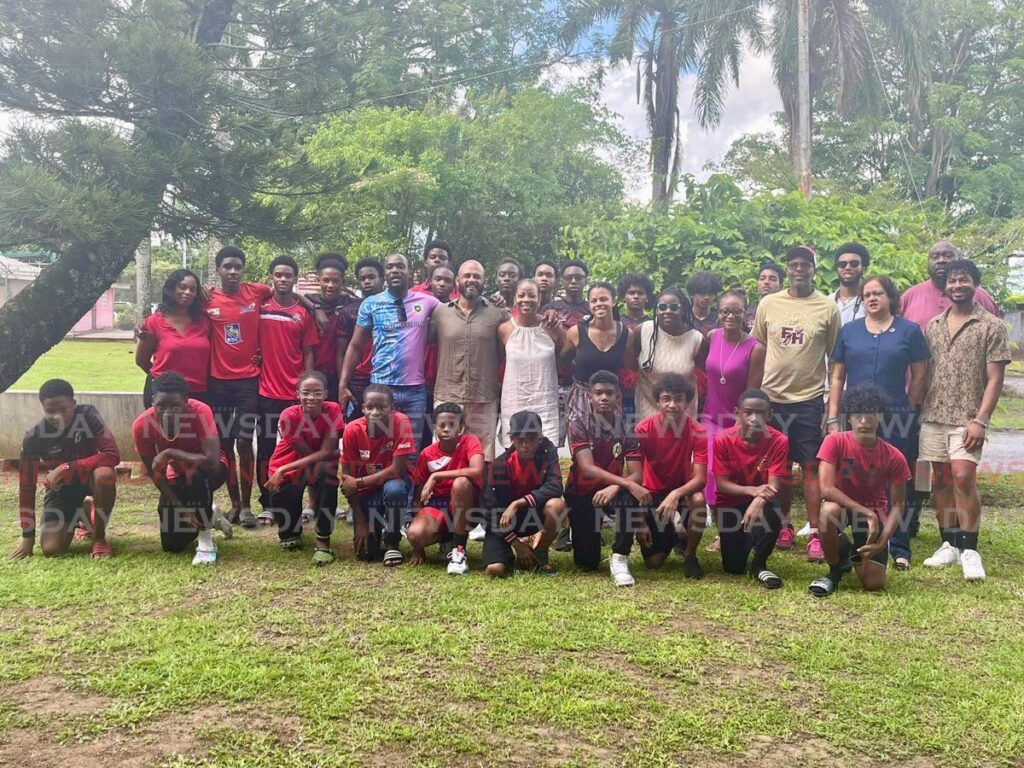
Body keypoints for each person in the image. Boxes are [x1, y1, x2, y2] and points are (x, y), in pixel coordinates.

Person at [827, 275, 929, 569]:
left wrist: (909, 408)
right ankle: (851, 537)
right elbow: (837, 376)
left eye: (879, 293)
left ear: (890, 297)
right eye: (867, 294)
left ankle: (899, 546)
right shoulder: (850, 331)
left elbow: (920, 374)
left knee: (896, 481)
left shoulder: (909, 331)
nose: (872, 299)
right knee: (852, 477)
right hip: (855, 416)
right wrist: (834, 416)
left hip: (896, 414)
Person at [919, 259, 1010, 581]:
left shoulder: (991, 325)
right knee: (939, 481)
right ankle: (949, 544)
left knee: (963, 478)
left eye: (964, 280)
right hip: (932, 415)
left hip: (968, 417)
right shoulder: (933, 325)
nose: (957, 285)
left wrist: (981, 420)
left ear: (975, 284)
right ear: (944, 287)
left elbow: (996, 379)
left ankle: (970, 549)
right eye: (952, 281)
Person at [752, 246, 841, 562]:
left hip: (809, 399)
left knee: (811, 467)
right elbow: (759, 348)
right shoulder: (769, 303)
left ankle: (815, 532)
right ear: (787, 269)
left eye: (805, 264)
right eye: (794, 264)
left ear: (814, 270)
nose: (799, 269)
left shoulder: (827, 308)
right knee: (780, 468)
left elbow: (835, 358)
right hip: (773, 400)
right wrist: (755, 398)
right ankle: (785, 526)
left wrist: (830, 405)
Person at [808, 386, 912, 597]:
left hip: (874, 515)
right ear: (849, 418)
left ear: (880, 417)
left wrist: (883, 541)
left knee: (872, 584)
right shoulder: (834, 441)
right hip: (844, 508)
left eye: (870, 415)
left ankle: (852, 551)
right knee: (828, 511)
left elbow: (899, 504)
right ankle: (835, 569)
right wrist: (867, 512)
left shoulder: (894, 456)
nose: (863, 421)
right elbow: (826, 489)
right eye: (858, 415)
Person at [9, 379, 120, 560]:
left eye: (63, 409)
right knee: (52, 549)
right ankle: (84, 511)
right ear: (42, 409)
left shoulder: (89, 415)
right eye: (50, 411)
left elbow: (112, 455)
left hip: (90, 478)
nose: (57, 416)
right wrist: (27, 538)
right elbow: (26, 486)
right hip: (63, 488)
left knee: (105, 475)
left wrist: (67, 467)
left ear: (74, 404)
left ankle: (99, 538)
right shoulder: (34, 437)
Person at [339, 253, 440, 451]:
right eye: (390, 267)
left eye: (400, 266)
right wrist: (343, 384)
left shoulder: (427, 301)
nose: (395, 270)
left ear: (409, 271)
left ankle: (405, 483)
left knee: (411, 449)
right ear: (384, 273)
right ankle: (381, 483)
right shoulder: (371, 304)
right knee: (380, 447)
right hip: (381, 388)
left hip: (415, 391)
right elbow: (355, 346)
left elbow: (456, 312)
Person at [203, 246, 271, 529]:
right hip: (218, 384)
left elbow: (288, 294)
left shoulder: (257, 291)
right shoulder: (206, 299)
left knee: (245, 443)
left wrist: (310, 308)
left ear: (243, 270)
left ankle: (246, 506)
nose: (232, 271)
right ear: (218, 270)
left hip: (247, 382)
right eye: (227, 266)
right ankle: (232, 503)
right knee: (226, 443)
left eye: (237, 266)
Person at [132, 372, 229, 565]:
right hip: (176, 475)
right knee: (172, 545)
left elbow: (212, 463)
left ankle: (205, 541)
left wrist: (171, 453)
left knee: (196, 476)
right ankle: (213, 514)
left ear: (186, 401)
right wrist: (183, 510)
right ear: (152, 401)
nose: (168, 412)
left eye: (175, 406)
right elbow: (156, 475)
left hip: (210, 471)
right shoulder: (142, 425)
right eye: (161, 406)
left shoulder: (201, 411)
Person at [565, 371, 650, 587]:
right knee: (587, 563)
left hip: (612, 491)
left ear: (618, 397)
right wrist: (627, 482)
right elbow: (587, 469)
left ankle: (620, 558)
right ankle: (581, 531)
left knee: (628, 498)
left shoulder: (628, 427)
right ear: (589, 398)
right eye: (599, 393)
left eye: (609, 393)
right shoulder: (577, 424)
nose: (604, 397)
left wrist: (617, 486)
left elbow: (637, 474)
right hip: (582, 493)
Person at [255, 255, 319, 521]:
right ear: (271, 277)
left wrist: (305, 388)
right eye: (278, 275)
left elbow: (309, 353)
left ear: (295, 278)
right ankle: (268, 503)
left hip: (295, 398)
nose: (283, 279)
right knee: (267, 450)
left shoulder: (303, 312)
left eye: (288, 275)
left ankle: (310, 504)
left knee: (304, 449)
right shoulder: (259, 307)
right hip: (266, 393)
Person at [700, 290, 765, 552]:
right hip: (709, 417)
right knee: (711, 473)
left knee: (733, 476)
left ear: (745, 314)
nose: (730, 316)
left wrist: (742, 424)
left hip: (736, 420)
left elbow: (752, 392)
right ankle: (720, 531)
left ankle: (738, 528)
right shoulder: (712, 336)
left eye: (736, 311)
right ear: (718, 313)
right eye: (725, 311)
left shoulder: (755, 348)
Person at [430, 259, 509, 461]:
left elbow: (504, 352)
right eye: (467, 276)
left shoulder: (498, 313)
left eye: (476, 276)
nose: (471, 280)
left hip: (483, 395)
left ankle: (483, 492)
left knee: (484, 453)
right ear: (457, 280)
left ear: (484, 281)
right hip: (448, 394)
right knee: (444, 452)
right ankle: (443, 491)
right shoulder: (440, 313)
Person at [633, 373, 708, 578]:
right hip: (651, 494)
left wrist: (676, 494)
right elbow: (634, 479)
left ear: (687, 402)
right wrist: (639, 522)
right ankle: (677, 532)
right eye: (666, 399)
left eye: (678, 399)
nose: (672, 405)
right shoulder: (643, 429)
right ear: (657, 401)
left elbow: (701, 479)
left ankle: (690, 555)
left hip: (682, 493)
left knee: (699, 500)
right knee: (653, 563)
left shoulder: (698, 431)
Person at [712, 389, 789, 588]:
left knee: (773, 508)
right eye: (748, 412)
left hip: (762, 501)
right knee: (733, 567)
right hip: (730, 502)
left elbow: (774, 485)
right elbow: (722, 484)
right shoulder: (722, 439)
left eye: (761, 413)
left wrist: (758, 499)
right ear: (737, 413)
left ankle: (759, 563)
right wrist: (753, 491)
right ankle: (748, 537)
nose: (755, 418)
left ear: (769, 415)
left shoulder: (779, 440)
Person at [265, 371, 344, 564]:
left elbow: (325, 452)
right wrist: (283, 470)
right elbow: (308, 452)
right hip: (290, 459)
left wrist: (283, 470)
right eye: (306, 392)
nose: (311, 397)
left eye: (317, 393)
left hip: (312, 463)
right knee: (287, 492)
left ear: (326, 394)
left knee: (326, 473)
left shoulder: (333, 409)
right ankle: (291, 531)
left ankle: (323, 540)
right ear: (297, 394)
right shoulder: (288, 416)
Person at [480, 410, 564, 577]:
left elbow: (556, 486)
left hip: (534, 515)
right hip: (504, 522)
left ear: (540, 439)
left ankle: (539, 553)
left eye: (531, 439)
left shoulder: (548, 453)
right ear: (511, 439)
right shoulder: (499, 465)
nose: (526, 445)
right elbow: (489, 511)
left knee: (557, 505)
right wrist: (516, 543)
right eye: (520, 440)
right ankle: (514, 556)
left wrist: (519, 502)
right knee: (494, 570)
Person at [340, 384, 415, 566]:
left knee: (395, 488)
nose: (376, 412)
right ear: (363, 408)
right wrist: (361, 521)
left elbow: (397, 470)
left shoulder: (401, 422)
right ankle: (374, 527)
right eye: (370, 407)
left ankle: (392, 542)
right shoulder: (352, 429)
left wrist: (358, 482)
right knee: (366, 554)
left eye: (382, 407)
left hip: (392, 485)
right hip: (367, 493)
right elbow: (347, 482)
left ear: (392, 408)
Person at [406, 403, 485, 574]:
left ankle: (459, 550)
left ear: (461, 427)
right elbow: (419, 491)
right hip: (439, 504)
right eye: (442, 425)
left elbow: (477, 470)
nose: (446, 429)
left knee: (461, 483)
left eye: (452, 425)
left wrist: (436, 476)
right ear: (435, 427)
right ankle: (448, 537)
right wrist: (417, 547)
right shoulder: (427, 454)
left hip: (469, 504)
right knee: (414, 535)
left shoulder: (470, 441)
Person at [497, 279, 565, 449]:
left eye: (531, 296)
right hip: (514, 399)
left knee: (546, 451)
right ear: (515, 299)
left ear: (539, 299)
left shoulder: (553, 327)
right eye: (521, 295)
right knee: (515, 453)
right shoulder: (504, 329)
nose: (526, 299)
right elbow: (497, 359)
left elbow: (563, 357)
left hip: (545, 400)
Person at [560, 282, 635, 429]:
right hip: (581, 397)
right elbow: (562, 362)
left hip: (610, 397)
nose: (599, 304)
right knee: (580, 448)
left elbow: (630, 365)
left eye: (603, 299)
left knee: (610, 448)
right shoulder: (576, 332)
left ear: (613, 301)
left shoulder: (626, 334)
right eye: (594, 301)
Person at [136, 269, 211, 407]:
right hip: (164, 395)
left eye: (193, 289)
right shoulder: (153, 322)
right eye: (182, 287)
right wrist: (162, 379)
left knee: (198, 429)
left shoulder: (204, 320)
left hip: (198, 393)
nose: (188, 292)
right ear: (171, 289)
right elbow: (141, 360)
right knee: (161, 429)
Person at [635, 287, 706, 422]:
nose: (667, 311)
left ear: (683, 309)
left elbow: (702, 377)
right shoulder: (643, 331)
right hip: (647, 409)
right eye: (662, 307)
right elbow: (630, 368)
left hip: (681, 411)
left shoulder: (697, 339)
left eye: (674, 307)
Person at [900, 240, 1001, 329]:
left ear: (959, 259)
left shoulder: (981, 296)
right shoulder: (909, 297)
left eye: (948, 256)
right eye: (935, 257)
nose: (941, 260)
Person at [305, 252, 358, 402]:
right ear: (318, 280)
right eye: (326, 280)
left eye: (336, 281)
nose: (330, 285)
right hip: (313, 371)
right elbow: (293, 295)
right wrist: (315, 308)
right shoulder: (309, 301)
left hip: (340, 373)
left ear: (343, 281)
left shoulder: (350, 304)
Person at [340, 258, 385, 421]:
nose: (366, 281)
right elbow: (342, 351)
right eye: (362, 278)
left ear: (382, 278)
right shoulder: (349, 311)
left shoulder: (396, 307)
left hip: (386, 377)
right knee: (355, 427)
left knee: (384, 430)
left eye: (371, 277)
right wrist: (343, 384)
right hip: (357, 380)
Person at [616, 272, 655, 416]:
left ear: (647, 297)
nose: (636, 296)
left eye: (640, 293)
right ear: (623, 297)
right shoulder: (615, 324)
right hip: (618, 387)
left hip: (647, 386)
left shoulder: (654, 324)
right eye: (631, 293)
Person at [828, 242, 869, 325]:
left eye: (854, 264)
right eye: (842, 264)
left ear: (864, 269)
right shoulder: (827, 302)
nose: (847, 268)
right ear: (837, 269)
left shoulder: (870, 302)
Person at [745, 262, 784, 329]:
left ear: (781, 285)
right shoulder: (748, 311)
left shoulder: (785, 311)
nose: (766, 282)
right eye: (762, 278)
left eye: (772, 279)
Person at [686, 271, 723, 337]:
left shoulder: (719, 321)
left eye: (711, 293)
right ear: (692, 294)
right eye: (702, 293)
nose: (707, 297)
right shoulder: (683, 319)